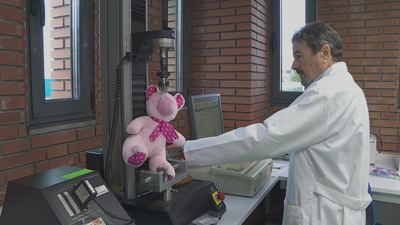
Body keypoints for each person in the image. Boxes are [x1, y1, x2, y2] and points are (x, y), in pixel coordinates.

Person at [182, 22, 372, 225]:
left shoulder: (326, 93)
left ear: (325, 53)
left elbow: (265, 137)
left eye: (299, 56)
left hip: (323, 214)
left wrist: (188, 151)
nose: (294, 66)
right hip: (336, 211)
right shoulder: (348, 88)